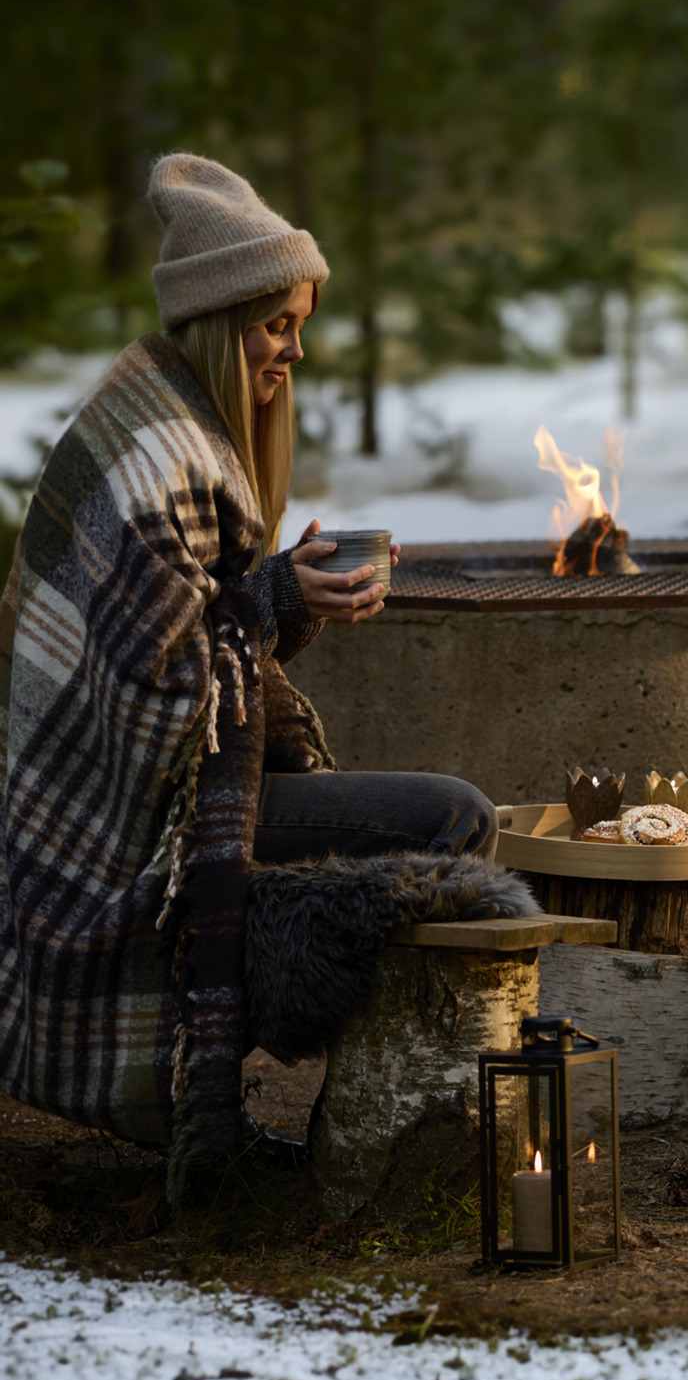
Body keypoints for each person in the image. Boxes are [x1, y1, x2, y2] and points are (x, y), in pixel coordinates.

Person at [0, 153, 496, 1161]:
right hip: (119, 835)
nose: (293, 354)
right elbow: (154, 687)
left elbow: (200, 642)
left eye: (301, 326)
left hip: (166, 808)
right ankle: (370, 1124)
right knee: (455, 818)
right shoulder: (153, 460)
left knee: (430, 820)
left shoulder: (172, 421)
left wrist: (290, 598)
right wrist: (272, 591)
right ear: (224, 322)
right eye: (278, 325)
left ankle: (346, 1105)